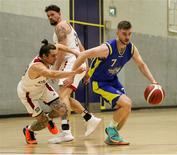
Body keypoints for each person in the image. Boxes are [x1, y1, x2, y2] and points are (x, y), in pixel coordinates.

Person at [67, 21, 158, 145]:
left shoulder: (131, 48)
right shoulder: (107, 48)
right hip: (100, 83)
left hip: (113, 80)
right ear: (117, 33)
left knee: (126, 109)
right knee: (126, 104)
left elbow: (141, 64)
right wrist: (72, 76)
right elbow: (83, 54)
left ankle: (112, 133)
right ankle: (111, 130)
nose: (127, 37)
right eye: (124, 34)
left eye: (129, 34)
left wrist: (153, 81)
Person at [45, 5, 101, 143]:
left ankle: (66, 131)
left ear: (59, 14)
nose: (50, 17)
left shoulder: (60, 27)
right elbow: (81, 48)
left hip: (71, 64)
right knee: (66, 97)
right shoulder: (69, 26)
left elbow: (62, 52)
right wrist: (87, 68)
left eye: (52, 14)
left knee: (62, 96)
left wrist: (54, 71)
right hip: (78, 62)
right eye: (48, 16)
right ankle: (89, 118)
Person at [17, 39, 84, 144]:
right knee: (43, 123)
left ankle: (49, 119)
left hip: (42, 87)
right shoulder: (37, 67)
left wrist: (74, 51)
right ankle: (29, 130)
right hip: (28, 94)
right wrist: (74, 72)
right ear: (44, 56)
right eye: (53, 56)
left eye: (56, 55)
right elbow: (53, 74)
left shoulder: (49, 52)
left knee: (63, 109)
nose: (56, 57)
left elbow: (59, 46)